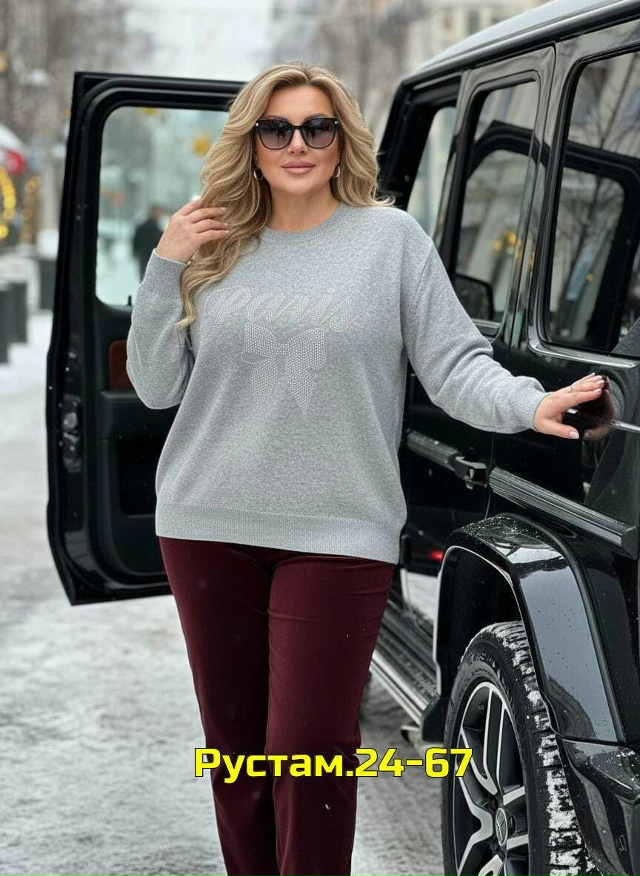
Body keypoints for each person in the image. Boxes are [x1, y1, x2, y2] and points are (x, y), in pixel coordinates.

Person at [124, 61, 605, 876]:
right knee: (237, 751)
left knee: (308, 747)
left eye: (317, 127)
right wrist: (165, 267)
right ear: (251, 141)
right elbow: (154, 384)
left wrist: (530, 404)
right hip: (207, 522)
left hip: (340, 529)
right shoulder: (211, 242)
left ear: (341, 138)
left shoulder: (390, 242)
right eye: (277, 128)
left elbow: (455, 364)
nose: (298, 144)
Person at [132, 204, 164, 280]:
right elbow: (136, 240)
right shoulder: (143, 227)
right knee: (146, 276)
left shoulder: (158, 228)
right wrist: (135, 251)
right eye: (154, 212)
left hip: (152, 255)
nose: (156, 214)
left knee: (148, 276)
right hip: (146, 255)